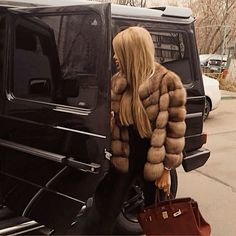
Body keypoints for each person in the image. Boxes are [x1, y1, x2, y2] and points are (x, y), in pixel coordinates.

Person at [68, 26, 186, 235]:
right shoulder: (118, 83)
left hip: (153, 161)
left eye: (118, 52)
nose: (114, 57)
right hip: (124, 159)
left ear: (132, 53)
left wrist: (167, 169)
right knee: (101, 212)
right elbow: (112, 124)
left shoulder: (167, 82)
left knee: (160, 220)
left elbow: (174, 131)